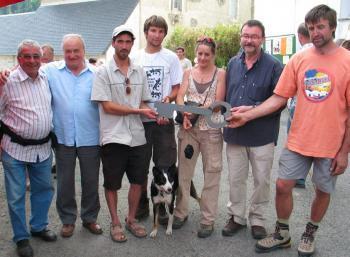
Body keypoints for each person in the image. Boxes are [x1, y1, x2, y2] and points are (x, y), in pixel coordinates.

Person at [227, 5, 350, 257]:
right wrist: (247, 115)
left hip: (331, 143)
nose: (315, 32)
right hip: (299, 139)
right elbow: (278, 98)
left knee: (323, 190)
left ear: (333, 27)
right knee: (283, 185)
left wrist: (344, 152)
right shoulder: (299, 59)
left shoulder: (347, 62)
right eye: (312, 27)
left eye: (321, 27)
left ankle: (310, 232)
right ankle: (282, 233)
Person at [92, 25, 157, 242]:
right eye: (120, 41)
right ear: (113, 43)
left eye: (128, 42)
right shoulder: (102, 72)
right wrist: (139, 110)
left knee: (138, 180)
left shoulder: (139, 70)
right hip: (113, 136)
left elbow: (144, 100)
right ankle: (115, 223)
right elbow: (107, 106)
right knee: (112, 183)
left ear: (132, 44)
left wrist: (157, 113)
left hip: (137, 135)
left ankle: (130, 219)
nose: (124, 46)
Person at [222, 19, 283, 240]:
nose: (249, 40)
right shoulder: (232, 64)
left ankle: (257, 219)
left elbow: (281, 100)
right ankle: (236, 217)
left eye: (254, 36)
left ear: (262, 39)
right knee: (236, 179)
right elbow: (226, 95)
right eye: (246, 36)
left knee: (261, 181)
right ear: (241, 37)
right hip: (235, 134)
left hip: (262, 135)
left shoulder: (274, 66)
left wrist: (253, 109)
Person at [0, 39, 57, 257]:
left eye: (36, 56)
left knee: (43, 190)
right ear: (19, 59)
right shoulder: (7, 81)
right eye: (27, 56)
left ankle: (39, 226)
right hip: (14, 149)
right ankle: (22, 238)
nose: (33, 61)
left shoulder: (45, 77)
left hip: (42, 148)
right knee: (15, 196)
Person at [43, 34, 102, 238]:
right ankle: (68, 220)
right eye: (68, 51)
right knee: (65, 182)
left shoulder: (97, 73)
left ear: (84, 51)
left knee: (90, 181)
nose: (72, 54)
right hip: (63, 136)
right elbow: (27, 69)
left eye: (76, 50)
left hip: (90, 136)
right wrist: (7, 72)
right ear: (63, 52)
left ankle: (90, 218)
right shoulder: (51, 71)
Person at [173, 36, 225, 238]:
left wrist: (195, 111)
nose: (202, 57)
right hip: (188, 129)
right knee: (184, 173)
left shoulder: (221, 73)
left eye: (207, 54)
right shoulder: (188, 72)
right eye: (200, 53)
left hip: (211, 130)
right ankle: (181, 211)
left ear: (213, 55)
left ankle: (207, 219)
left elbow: (218, 104)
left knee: (212, 174)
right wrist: (185, 113)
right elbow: (180, 95)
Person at [132, 15, 183, 221]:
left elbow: (176, 87)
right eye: (153, 30)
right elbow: (131, 89)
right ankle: (144, 203)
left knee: (165, 163)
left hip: (163, 121)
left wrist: (166, 106)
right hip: (141, 120)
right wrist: (143, 107)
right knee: (141, 166)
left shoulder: (171, 57)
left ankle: (163, 205)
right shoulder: (135, 58)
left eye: (161, 31)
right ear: (146, 33)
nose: (157, 35)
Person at [287, 22, 312, 188]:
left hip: (298, 105)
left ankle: (298, 176)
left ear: (300, 36)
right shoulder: (325, 54)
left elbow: (290, 86)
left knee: (295, 138)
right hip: (316, 108)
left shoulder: (299, 55)